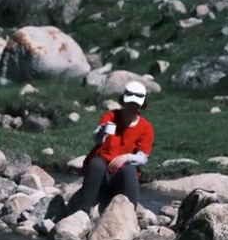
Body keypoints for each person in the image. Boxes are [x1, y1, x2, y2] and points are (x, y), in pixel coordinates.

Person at [50, 80, 155, 221]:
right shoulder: (110, 116)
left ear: (141, 105)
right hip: (101, 175)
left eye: (135, 104)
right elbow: (98, 139)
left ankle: (130, 217)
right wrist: (103, 132)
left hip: (120, 178)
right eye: (129, 103)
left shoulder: (146, 128)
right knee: (97, 163)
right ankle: (82, 212)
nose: (131, 107)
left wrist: (126, 157)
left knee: (130, 170)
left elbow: (143, 157)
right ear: (123, 101)